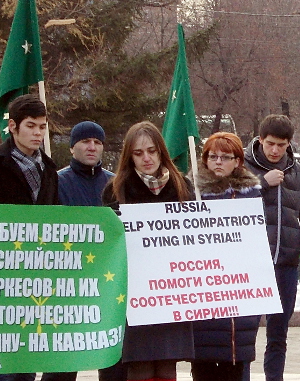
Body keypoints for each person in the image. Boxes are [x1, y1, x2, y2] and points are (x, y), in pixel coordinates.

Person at [102, 121, 194, 381]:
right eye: (139, 153)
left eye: (152, 151)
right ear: (129, 156)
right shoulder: (116, 189)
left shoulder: (181, 186)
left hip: (172, 290)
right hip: (135, 294)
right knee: (139, 365)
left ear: (161, 152)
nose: (146, 158)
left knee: (167, 365)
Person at [41, 121, 125, 381]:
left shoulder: (115, 183)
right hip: (67, 286)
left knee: (113, 362)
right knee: (62, 365)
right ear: (72, 147)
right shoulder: (56, 181)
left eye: (97, 142)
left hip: (108, 286)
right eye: (85, 142)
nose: (92, 147)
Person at [0, 94, 58, 381]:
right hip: (1, 279)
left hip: (38, 277)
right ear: (13, 126)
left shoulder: (50, 170)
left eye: (42, 127)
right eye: (31, 126)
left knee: (27, 365)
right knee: (5, 366)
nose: (38, 133)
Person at [244, 114, 300, 381]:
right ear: (260, 140)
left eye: (282, 145)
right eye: (270, 144)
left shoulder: (298, 174)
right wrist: (263, 183)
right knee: (246, 333)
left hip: (285, 264)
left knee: (278, 334)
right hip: (249, 266)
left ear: (289, 143)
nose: (275, 150)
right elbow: (228, 201)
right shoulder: (243, 168)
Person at [189, 132, 262, 381]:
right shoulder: (190, 194)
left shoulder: (251, 196)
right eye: (213, 156)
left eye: (225, 157)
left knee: (235, 369)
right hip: (202, 297)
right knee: (204, 367)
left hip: (238, 304)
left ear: (238, 161)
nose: (218, 162)